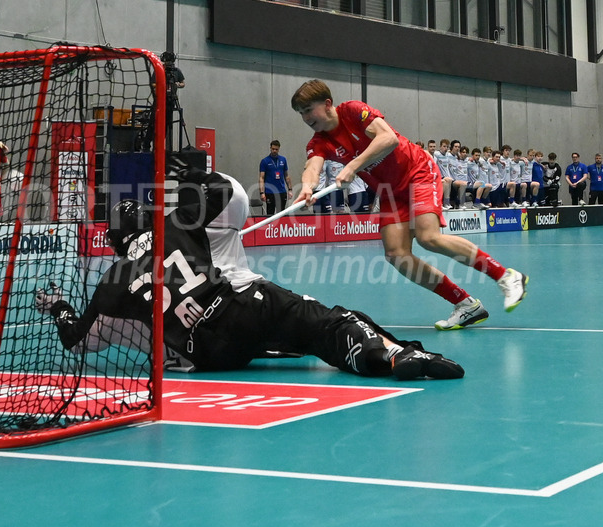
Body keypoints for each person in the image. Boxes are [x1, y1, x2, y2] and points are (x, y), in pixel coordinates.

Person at [34, 163, 464, 381]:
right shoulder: (178, 225)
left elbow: (79, 340)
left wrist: (58, 308)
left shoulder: (111, 286)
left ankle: (302, 345)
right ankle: (390, 356)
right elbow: (230, 192)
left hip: (206, 357)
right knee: (328, 323)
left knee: (277, 339)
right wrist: (192, 175)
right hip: (236, 304)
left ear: (114, 242)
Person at [290, 80, 527, 330]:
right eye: (301, 113)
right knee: (396, 254)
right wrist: (307, 187)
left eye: (308, 110)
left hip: (417, 171)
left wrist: (352, 165)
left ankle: (506, 276)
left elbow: (388, 138)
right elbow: (312, 167)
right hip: (390, 191)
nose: (306, 118)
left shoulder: (352, 111)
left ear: (327, 104)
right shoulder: (319, 141)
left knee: (428, 237)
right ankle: (465, 304)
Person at [258, 139, 292, 215]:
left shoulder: (283, 160)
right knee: (270, 214)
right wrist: (262, 192)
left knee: (281, 214)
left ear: (279, 149)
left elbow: (286, 176)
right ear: (270, 148)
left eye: (276, 149)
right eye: (273, 149)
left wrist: (290, 189)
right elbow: (261, 178)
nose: (274, 151)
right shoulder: (265, 161)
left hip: (281, 191)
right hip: (270, 192)